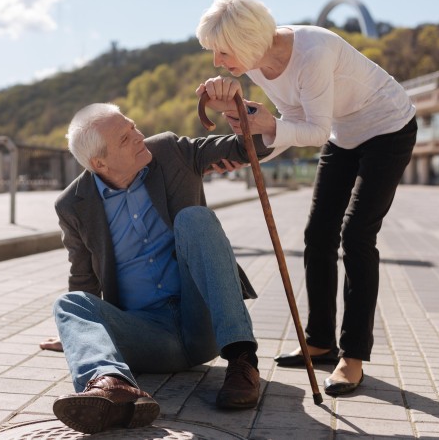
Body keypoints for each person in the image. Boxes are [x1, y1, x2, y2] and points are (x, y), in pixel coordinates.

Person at [195, 0, 418, 397]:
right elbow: (291, 120)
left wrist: (266, 126)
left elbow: (311, 132)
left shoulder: (312, 51)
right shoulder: (259, 63)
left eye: (223, 51)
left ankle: (352, 357)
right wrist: (251, 154)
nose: (218, 62)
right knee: (318, 235)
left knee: (356, 235)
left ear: (247, 40)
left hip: (388, 128)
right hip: (343, 133)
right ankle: (319, 341)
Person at [49, 102, 273, 434]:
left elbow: (246, 148)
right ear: (99, 163)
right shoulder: (72, 204)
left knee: (195, 218)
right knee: (67, 305)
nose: (139, 136)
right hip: (147, 338)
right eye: (126, 138)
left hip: (202, 322)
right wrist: (79, 332)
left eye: (133, 126)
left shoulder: (169, 151)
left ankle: (242, 361)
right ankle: (113, 388)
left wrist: (256, 122)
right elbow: (83, 277)